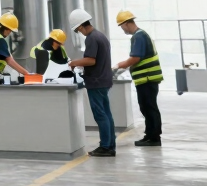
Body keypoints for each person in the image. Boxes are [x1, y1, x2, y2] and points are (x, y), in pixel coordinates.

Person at [68, 8, 115, 157]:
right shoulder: (101, 36)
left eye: (78, 30)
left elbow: (90, 60)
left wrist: (73, 63)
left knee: (100, 115)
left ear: (81, 26)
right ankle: (110, 145)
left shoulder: (92, 38)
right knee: (106, 114)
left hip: (96, 81)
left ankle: (106, 147)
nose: (79, 33)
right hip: (104, 79)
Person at [113, 9, 163, 146]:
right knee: (146, 107)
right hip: (147, 79)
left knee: (149, 107)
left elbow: (135, 57)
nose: (122, 29)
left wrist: (118, 66)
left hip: (147, 78)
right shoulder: (142, 35)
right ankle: (150, 135)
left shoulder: (138, 36)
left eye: (121, 26)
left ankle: (154, 137)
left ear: (126, 23)